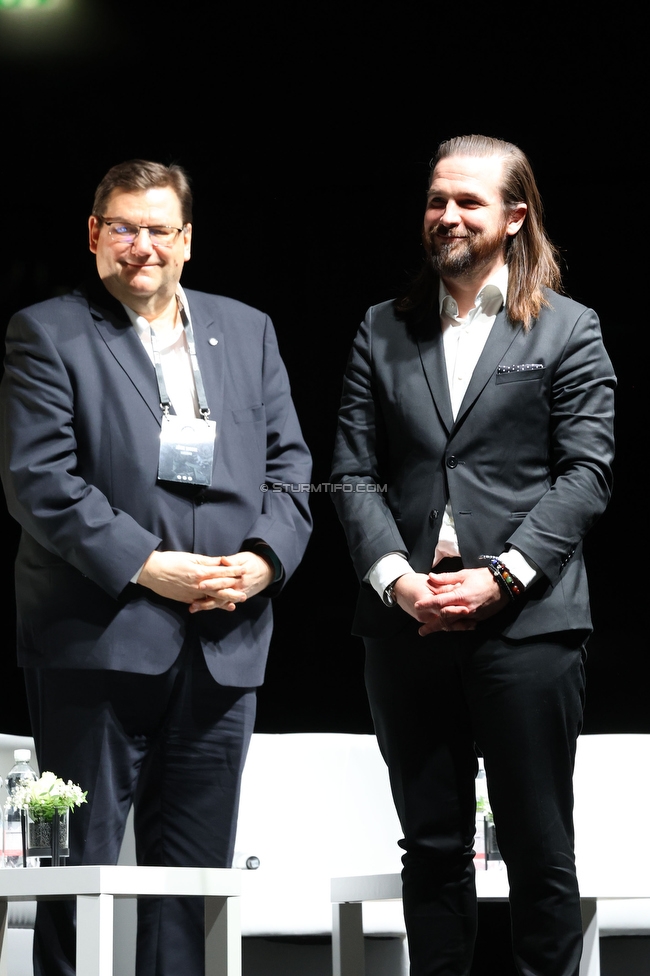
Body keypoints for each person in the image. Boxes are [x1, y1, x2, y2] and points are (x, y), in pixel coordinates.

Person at [0, 159, 312, 976]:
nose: (143, 246)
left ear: (188, 240)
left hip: (225, 640)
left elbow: (290, 470)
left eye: (160, 229)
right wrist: (148, 565)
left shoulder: (246, 330)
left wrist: (264, 561)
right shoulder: (48, 331)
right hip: (101, 637)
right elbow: (42, 483)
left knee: (196, 889)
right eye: (124, 227)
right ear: (94, 235)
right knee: (83, 875)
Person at [330, 135, 615, 976]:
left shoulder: (566, 328)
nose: (446, 215)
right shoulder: (383, 327)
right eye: (435, 200)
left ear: (514, 217)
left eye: (468, 202)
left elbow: (587, 472)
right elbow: (350, 475)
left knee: (538, 846)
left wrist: (504, 575)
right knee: (433, 848)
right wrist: (397, 581)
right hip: (409, 624)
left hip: (527, 624)